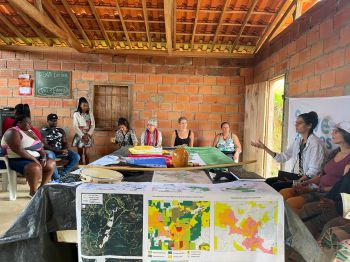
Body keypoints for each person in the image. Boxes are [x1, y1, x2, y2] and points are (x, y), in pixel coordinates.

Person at [281, 122, 350, 214]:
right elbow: (322, 176)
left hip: (327, 195)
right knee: (284, 193)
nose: (332, 133)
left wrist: (315, 189)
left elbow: (343, 188)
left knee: (291, 204)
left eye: (336, 131)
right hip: (317, 189)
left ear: (346, 135)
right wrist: (304, 183)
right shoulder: (334, 153)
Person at [251, 111, 326, 191]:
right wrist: (265, 148)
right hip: (296, 177)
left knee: (276, 186)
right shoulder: (298, 141)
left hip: (308, 181)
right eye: (296, 122)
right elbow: (282, 158)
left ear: (309, 125)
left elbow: (313, 171)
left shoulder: (316, 144)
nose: (296, 125)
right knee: (268, 182)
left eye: (300, 123)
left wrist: (298, 181)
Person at [1, 114, 55, 196]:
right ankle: (33, 192)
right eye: (28, 123)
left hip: (34, 157)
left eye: (30, 123)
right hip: (17, 159)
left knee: (51, 163)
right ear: (19, 123)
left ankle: (42, 189)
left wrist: (43, 156)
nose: (30, 125)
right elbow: (18, 150)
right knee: (35, 168)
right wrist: (35, 160)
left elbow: (39, 146)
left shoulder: (29, 131)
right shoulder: (12, 131)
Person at [299, 164, 350, 238]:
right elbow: (338, 186)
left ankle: (313, 245)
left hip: (344, 209)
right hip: (338, 203)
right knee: (307, 209)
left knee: (330, 226)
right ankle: (304, 241)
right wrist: (328, 199)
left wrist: (336, 204)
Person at [41, 114, 80, 180]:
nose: (55, 122)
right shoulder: (44, 131)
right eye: (53, 121)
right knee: (50, 156)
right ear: (48, 121)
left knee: (76, 156)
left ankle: (63, 173)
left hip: (61, 150)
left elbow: (65, 142)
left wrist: (65, 149)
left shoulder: (60, 130)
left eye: (56, 120)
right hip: (50, 151)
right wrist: (59, 151)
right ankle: (57, 177)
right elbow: (45, 145)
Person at [72, 97, 95, 165]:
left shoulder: (90, 113)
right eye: (84, 105)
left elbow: (93, 125)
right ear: (80, 105)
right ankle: (81, 167)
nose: (86, 107)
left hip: (88, 136)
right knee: (80, 153)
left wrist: (88, 135)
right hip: (80, 135)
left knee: (87, 154)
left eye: (87, 105)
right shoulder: (76, 114)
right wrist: (82, 135)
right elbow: (75, 126)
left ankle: (87, 166)